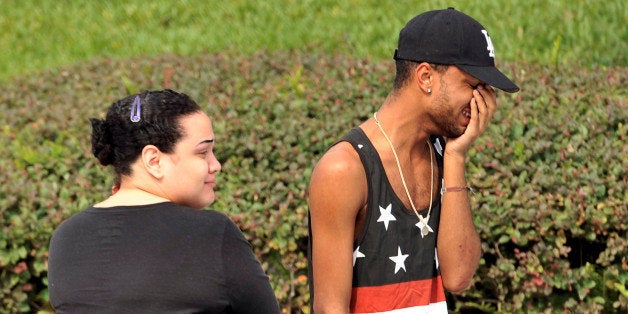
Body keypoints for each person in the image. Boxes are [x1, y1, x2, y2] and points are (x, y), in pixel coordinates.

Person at [308, 8, 520, 313]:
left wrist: (457, 157)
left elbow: (458, 277)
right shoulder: (345, 169)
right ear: (425, 77)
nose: (483, 102)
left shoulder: (443, 153)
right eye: (473, 85)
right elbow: (330, 309)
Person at [48, 89, 280, 313]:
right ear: (154, 160)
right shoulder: (211, 233)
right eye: (203, 153)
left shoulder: (67, 236)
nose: (215, 165)